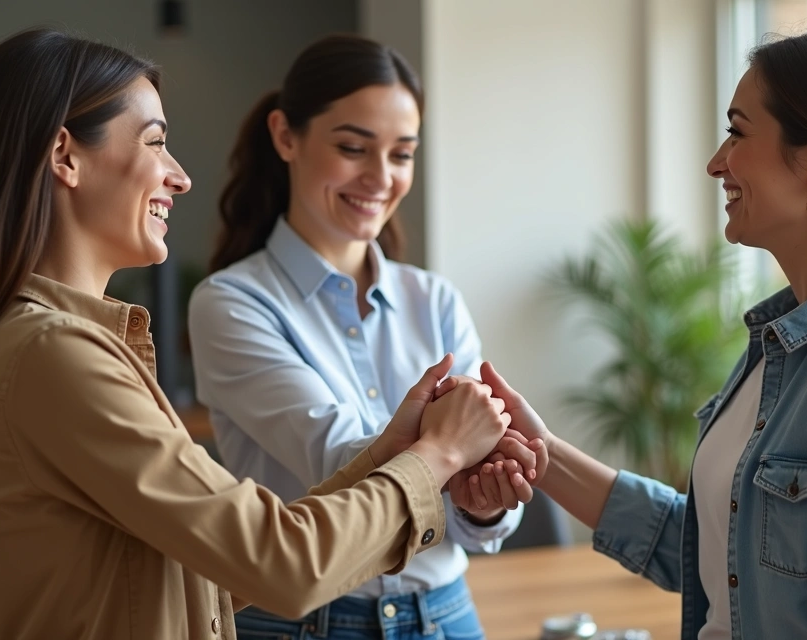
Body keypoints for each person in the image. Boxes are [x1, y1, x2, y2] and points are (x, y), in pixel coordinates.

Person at [0, 28, 532, 640]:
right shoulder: (53, 354)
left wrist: (396, 448)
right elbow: (276, 562)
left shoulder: (63, 346)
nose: (179, 175)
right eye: (153, 142)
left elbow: (211, 567)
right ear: (65, 156)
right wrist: (438, 455)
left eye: (402, 152)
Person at [461, 26, 807, 639]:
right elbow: (718, 556)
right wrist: (542, 452)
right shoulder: (787, 343)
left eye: (738, 132)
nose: (717, 162)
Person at [188, 34, 545, 640]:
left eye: (402, 154)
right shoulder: (231, 304)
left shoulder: (434, 299)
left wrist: (479, 500)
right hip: (302, 624)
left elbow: (472, 476)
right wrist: (451, 451)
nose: (380, 178)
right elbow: (333, 463)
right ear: (285, 136)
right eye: (353, 147)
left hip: (445, 612)